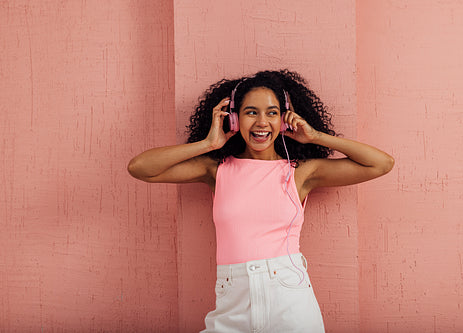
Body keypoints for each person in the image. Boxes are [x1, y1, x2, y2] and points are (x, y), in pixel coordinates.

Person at [127, 70, 394, 332]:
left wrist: (315, 136)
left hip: (289, 298)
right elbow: (140, 167)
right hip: (234, 302)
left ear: (284, 120)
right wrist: (209, 143)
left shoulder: (300, 172)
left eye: (272, 113)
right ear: (234, 119)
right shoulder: (215, 169)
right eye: (251, 112)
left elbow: (381, 164)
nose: (262, 122)